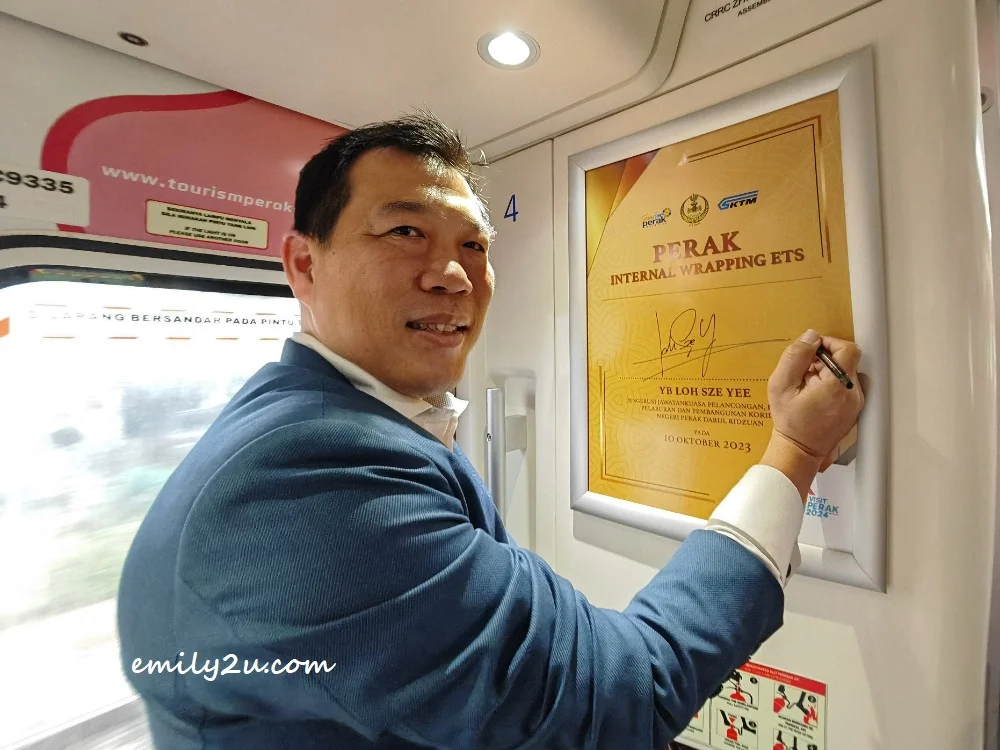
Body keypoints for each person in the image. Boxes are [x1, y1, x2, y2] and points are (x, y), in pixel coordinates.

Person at [117, 113, 864, 749]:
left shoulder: (316, 418)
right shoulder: (310, 479)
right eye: (405, 229)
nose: (452, 274)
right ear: (303, 265)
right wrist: (795, 452)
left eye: (474, 245)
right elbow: (623, 697)